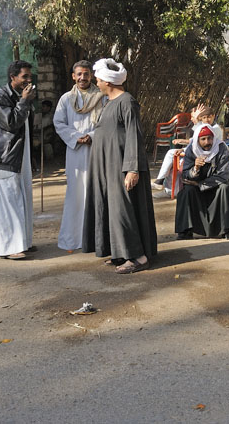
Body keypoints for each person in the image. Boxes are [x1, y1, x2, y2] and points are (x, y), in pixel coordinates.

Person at [82, 58, 157, 274]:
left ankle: (139, 258)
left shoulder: (127, 102)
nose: (96, 80)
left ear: (108, 81)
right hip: (107, 166)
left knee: (123, 210)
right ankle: (120, 252)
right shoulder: (109, 103)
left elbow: (134, 135)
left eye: (98, 77)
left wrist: (132, 168)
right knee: (111, 209)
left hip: (120, 166)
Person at [0, 60, 36, 259]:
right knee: (9, 202)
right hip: (6, 157)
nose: (29, 80)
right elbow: (11, 123)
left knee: (23, 198)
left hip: (20, 155)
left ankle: (23, 242)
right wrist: (24, 101)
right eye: (25, 77)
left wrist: (26, 101)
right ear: (13, 77)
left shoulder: (20, 96)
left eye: (30, 77)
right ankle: (9, 248)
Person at [53, 60, 105, 252]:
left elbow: (106, 122)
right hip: (74, 152)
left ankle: (96, 240)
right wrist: (76, 137)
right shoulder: (66, 99)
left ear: (91, 76)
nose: (83, 77)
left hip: (96, 150)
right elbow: (59, 123)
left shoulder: (102, 97)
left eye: (86, 74)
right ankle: (72, 240)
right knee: (75, 195)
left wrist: (91, 136)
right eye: (79, 74)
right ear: (73, 76)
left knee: (96, 192)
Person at [175, 125, 229, 240]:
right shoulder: (191, 150)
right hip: (196, 189)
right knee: (186, 192)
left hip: (216, 187)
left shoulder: (221, 148)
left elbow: (223, 175)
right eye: (203, 139)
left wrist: (200, 184)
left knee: (225, 188)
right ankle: (185, 231)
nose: (207, 142)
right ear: (197, 140)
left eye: (209, 138)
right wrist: (196, 169)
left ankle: (227, 230)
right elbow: (185, 174)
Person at [153, 104, 222, 193]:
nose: (206, 120)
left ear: (213, 116)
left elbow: (201, 145)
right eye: (203, 118)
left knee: (175, 159)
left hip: (205, 157)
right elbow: (195, 142)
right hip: (198, 154)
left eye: (208, 117)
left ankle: (165, 185)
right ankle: (166, 187)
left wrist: (184, 149)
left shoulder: (213, 129)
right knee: (173, 157)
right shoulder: (206, 127)